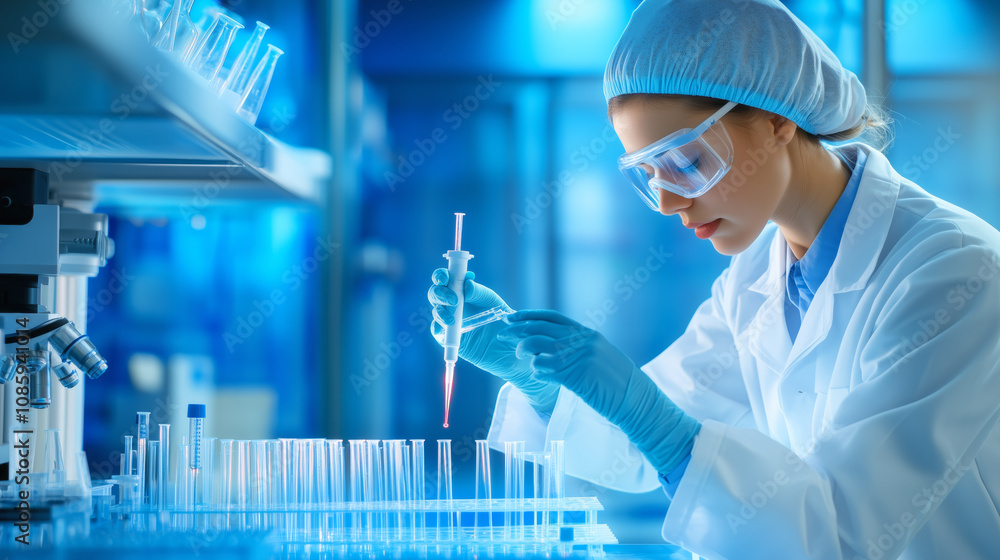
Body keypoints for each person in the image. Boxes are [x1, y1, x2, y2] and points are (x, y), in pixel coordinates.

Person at [427, 0, 1000, 558]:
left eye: (687, 163)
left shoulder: (955, 270)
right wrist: (543, 384)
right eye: (649, 174)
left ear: (777, 120)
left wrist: (650, 418)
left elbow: (844, 535)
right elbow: (651, 438)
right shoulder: (757, 272)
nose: (668, 202)